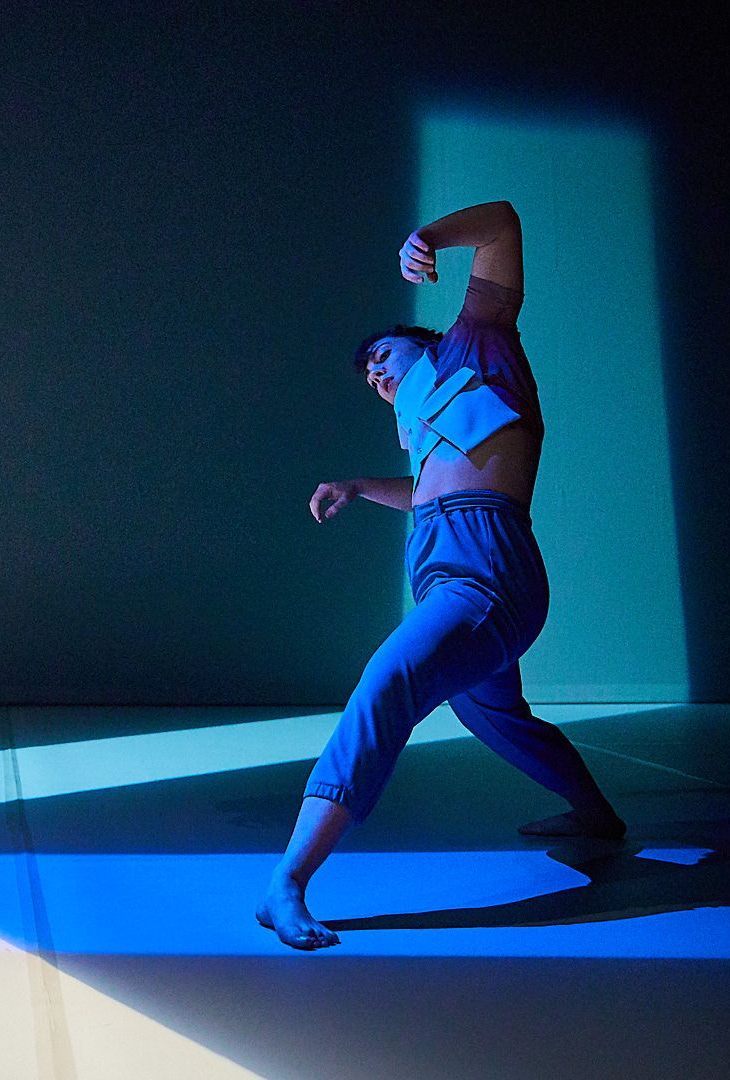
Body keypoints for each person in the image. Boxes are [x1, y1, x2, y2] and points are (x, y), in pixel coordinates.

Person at [256, 200, 626, 951]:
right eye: (369, 377)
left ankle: (288, 879)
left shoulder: (477, 346)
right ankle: (597, 816)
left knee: (388, 683)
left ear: (422, 342)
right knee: (495, 714)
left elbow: (504, 224)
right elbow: (433, 491)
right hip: (450, 565)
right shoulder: (429, 431)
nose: (374, 373)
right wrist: (361, 486)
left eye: (381, 356)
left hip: (485, 573)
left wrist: (427, 239)